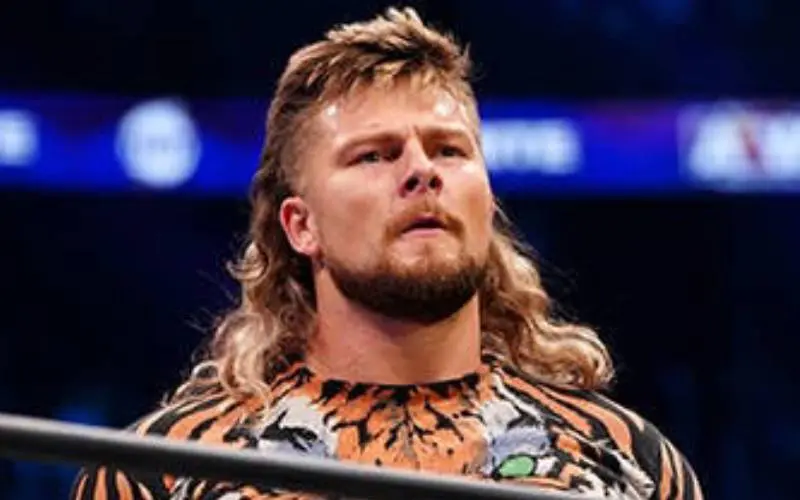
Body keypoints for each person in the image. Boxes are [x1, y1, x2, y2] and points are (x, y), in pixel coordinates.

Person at [71, 7, 703, 500]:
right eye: (374, 155)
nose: (423, 171)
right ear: (301, 226)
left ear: (487, 201)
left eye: (449, 150)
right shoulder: (164, 470)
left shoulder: (630, 462)